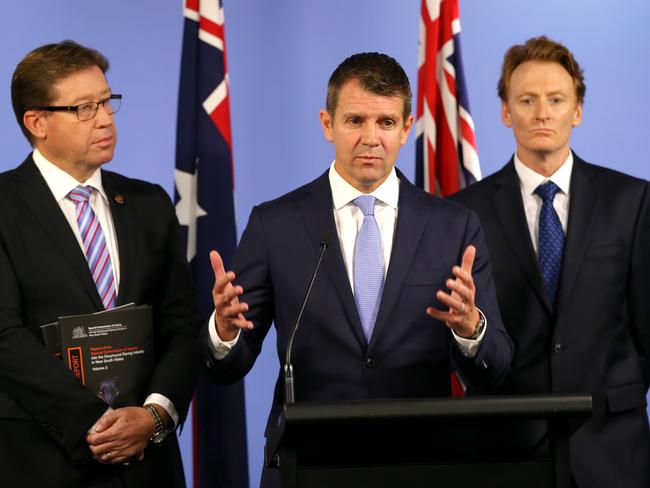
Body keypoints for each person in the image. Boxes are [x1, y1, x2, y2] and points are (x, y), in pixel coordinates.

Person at [201, 52, 513, 485]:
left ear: (407, 129)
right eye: (355, 121)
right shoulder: (275, 224)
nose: (370, 138)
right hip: (308, 463)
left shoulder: (454, 227)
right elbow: (226, 367)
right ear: (328, 124)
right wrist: (225, 332)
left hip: (420, 464)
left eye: (385, 123)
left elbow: (495, 369)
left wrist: (469, 328)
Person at [0, 40, 202, 487]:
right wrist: (99, 425)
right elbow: (4, 338)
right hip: (44, 460)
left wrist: (153, 416)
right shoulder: (5, 206)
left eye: (108, 101)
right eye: (84, 108)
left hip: (150, 463)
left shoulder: (149, 203)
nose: (106, 118)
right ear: (37, 122)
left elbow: (182, 326)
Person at [451, 36, 650, 487]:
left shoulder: (632, 201)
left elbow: (645, 332)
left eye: (556, 99)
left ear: (576, 110)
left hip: (613, 447)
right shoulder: (464, 212)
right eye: (527, 99)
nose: (542, 112)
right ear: (506, 111)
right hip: (507, 449)